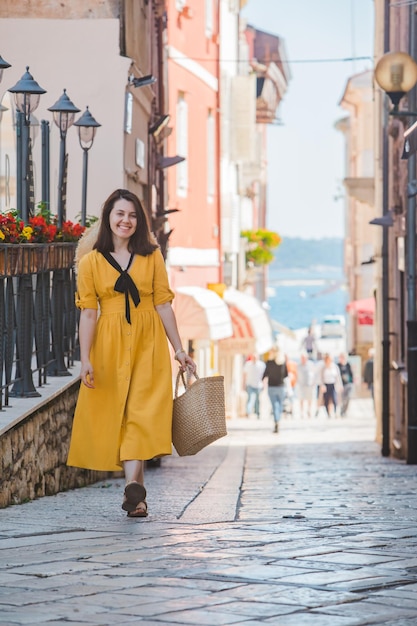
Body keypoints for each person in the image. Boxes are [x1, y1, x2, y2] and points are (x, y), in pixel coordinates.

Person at [67, 189, 196, 518]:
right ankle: (135, 494)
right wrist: (86, 359)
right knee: (118, 415)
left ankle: (133, 490)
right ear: (108, 216)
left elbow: (164, 303)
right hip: (108, 343)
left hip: (147, 341)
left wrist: (179, 349)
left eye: (133, 215)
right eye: (120, 214)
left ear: (139, 222)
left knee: (142, 412)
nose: (126, 220)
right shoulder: (90, 263)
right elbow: (87, 313)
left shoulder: (152, 256)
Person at [262, 347, 288, 432]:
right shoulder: (283, 363)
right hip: (281, 387)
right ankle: (278, 420)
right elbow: (286, 375)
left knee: (275, 405)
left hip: (272, 387)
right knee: (280, 405)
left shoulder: (269, 362)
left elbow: (265, 374)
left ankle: (276, 420)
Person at [320, 353, 343, 418]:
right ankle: (328, 413)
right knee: (326, 400)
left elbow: (338, 377)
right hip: (326, 385)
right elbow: (321, 377)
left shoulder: (335, 367)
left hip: (333, 385)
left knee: (334, 399)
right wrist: (322, 385)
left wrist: (340, 385)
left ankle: (335, 412)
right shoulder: (323, 367)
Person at [243, 354, 266, 418]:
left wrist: (264, 385)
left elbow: (264, 376)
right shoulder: (248, 364)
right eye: (254, 357)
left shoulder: (261, 365)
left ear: (258, 358)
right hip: (250, 384)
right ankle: (248, 412)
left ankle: (257, 412)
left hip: (258, 385)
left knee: (257, 400)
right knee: (250, 399)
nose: (255, 358)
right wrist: (244, 384)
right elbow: (244, 375)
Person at [297, 352, 316, 417]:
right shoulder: (298, 365)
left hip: (309, 384)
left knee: (309, 398)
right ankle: (302, 412)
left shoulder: (311, 364)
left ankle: (309, 410)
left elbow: (314, 374)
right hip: (301, 385)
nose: (303, 359)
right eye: (302, 358)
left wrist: (313, 383)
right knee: (301, 398)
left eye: (304, 358)